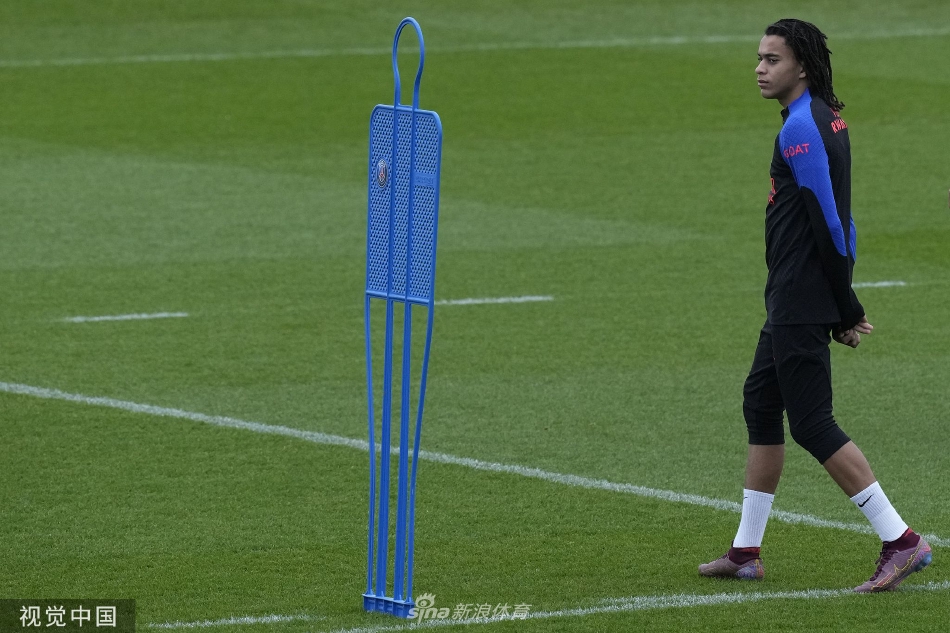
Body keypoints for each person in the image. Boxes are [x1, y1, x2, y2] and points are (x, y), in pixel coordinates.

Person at [698, 18, 932, 593]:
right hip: (796, 295)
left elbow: (829, 221)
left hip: (800, 296)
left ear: (801, 65)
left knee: (811, 423)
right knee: (761, 403)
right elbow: (845, 222)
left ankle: (901, 540)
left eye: (772, 59)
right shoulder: (824, 115)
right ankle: (746, 551)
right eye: (759, 58)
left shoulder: (802, 127)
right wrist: (839, 300)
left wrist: (843, 305)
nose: (759, 68)